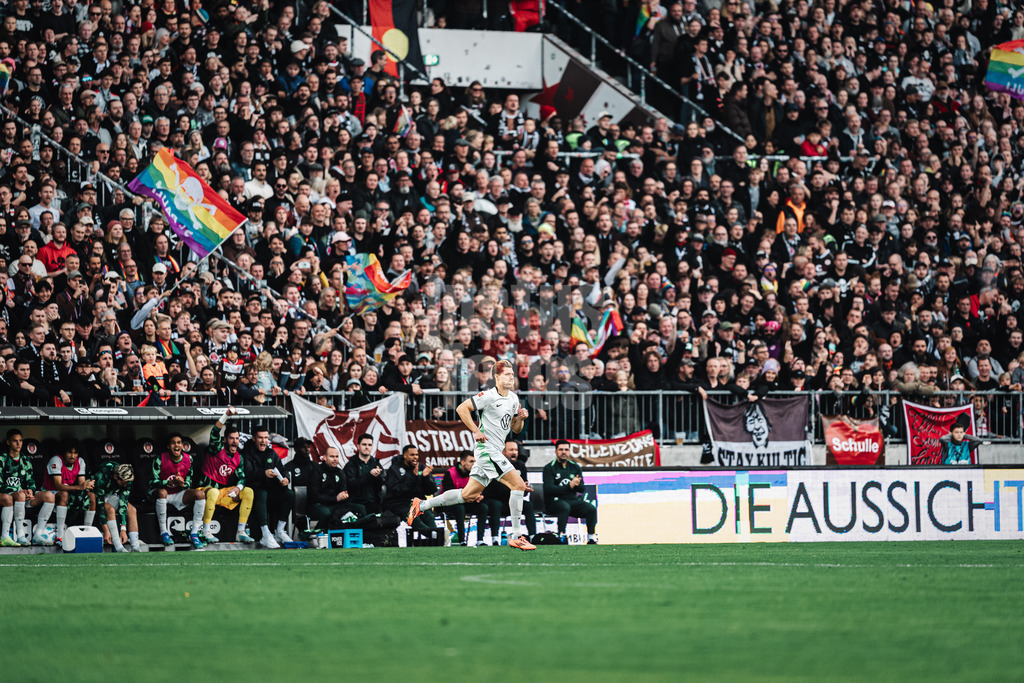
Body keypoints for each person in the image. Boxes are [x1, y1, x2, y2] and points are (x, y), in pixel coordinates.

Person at [409, 359, 536, 550]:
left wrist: (520, 418)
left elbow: (515, 430)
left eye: (512, 374)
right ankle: (516, 536)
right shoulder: (489, 395)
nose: (512, 377)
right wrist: (475, 430)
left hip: (493, 450)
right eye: (507, 374)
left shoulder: (513, 399)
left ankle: (421, 505)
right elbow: (462, 408)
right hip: (487, 450)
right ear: (497, 377)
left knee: (468, 495)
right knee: (517, 484)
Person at [196, 407, 255, 544]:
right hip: (205, 490)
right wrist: (226, 415)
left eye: (237, 438)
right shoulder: (216, 449)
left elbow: (242, 477)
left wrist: (238, 488)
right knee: (213, 492)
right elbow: (215, 432)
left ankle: (240, 531)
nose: (235, 441)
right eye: (231, 438)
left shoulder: (238, 458)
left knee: (248, 491)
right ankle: (205, 530)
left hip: (222, 493)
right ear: (225, 439)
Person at [241, 424, 295, 548]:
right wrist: (263, 474)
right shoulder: (246, 453)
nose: (264, 441)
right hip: (254, 493)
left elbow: (283, 469)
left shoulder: (271, 453)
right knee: (261, 493)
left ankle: (279, 531)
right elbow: (247, 475)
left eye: (266, 438)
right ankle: (266, 534)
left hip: (271, 492)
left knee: (289, 494)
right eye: (261, 438)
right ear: (254, 438)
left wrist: (286, 478)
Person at [0, 429, 56, 546]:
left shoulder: (25, 460)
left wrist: (30, 490)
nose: (19, 444)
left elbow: (30, 480)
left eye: (20, 441)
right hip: (8, 495)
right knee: (19, 495)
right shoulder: (2, 459)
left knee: (49, 496)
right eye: (15, 441)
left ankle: (37, 535)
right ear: (8, 442)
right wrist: (18, 491)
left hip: (22, 496)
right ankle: (20, 536)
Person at [150, 433, 206, 550]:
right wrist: (167, 483)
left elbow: (189, 482)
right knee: (162, 493)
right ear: (168, 446)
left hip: (178, 493)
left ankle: (194, 533)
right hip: (161, 493)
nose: (176, 445)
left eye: (179, 442)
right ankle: (164, 532)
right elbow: (152, 482)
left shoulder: (188, 459)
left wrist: (182, 484)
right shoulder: (160, 458)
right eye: (173, 443)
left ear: (182, 445)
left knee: (200, 494)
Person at [543, 440, 598, 544]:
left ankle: (591, 537)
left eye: (566, 450)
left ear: (569, 451)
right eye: (561, 449)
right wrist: (569, 486)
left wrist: (576, 485)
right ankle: (561, 536)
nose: (564, 452)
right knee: (564, 506)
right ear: (555, 451)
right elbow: (549, 490)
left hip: (573, 502)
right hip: (554, 502)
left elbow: (582, 489)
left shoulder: (575, 467)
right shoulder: (549, 468)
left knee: (591, 509)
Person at [42, 441, 96, 546]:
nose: (73, 456)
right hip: (50, 491)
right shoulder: (56, 460)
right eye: (70, 452)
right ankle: (60, 537)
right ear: (63, 452)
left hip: (69, 490)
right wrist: (80, 487)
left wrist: (87, 485)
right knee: (64, 494)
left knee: (91, 496)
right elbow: (58, 485)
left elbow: (81, 484)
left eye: (75, 453)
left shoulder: (80, 461)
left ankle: (86, 534)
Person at [483, 439, 537, 539]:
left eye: (516, 450)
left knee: (528, 505)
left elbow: (523, 492)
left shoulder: (521, 466)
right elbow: (495, 489)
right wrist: (517, 487)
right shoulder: (495, 465)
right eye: (511, 450)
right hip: (496, 500)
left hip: (513, 500)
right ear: (503, 452)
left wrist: (524, 490)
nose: (514, 453)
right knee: (496, 504)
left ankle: (533, 537)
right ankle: (495, 538)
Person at [384, 445, 439, 537]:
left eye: (417, 455)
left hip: (418, 502)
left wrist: (426, 478)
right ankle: (434, 535)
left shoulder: (421, 467)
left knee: (428, 516)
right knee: (415, 519)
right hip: (399, 503)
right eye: (412, 455)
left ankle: (437, 537)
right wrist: (413, 476)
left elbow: (431, 490)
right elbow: (396, 490)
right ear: (405, 456)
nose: (415, 457)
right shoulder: (394, 469)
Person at [308, 446, 366, 527]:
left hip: (336, 504)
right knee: (326, 513)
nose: (335, 459)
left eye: (337, 456)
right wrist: (335, 498)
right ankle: (320, 534)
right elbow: (314, 496)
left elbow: (343, 489)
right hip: (319, 504)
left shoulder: (340, 472)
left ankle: (361, 535)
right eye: (332, 456)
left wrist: (344, 495)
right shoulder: (316, 471)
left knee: (361, 508)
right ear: (324, 458)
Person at [93, 462, 141, 552]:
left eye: (128, 482)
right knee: (110, 510)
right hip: (94, 496)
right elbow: (100, 504)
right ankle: (118, 546)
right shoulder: (102, 475)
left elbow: (124, 502)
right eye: (124, 482)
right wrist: (106, 530)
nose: (126, 485)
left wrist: (123, 529)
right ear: (115, 477)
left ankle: (135, 546)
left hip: (110, 495)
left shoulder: (127, 479)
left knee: (131, 509)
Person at [342, 433, 385, 514]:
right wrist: (369, 475)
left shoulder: (376, 463)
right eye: (364, 444)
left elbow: (383, 482)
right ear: (358, 446)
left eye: (369, 445)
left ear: (372, 447)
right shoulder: (351, 464)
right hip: (356, 503)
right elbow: (350, 485)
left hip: (374, 502)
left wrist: (378, 476)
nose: (367, 447)